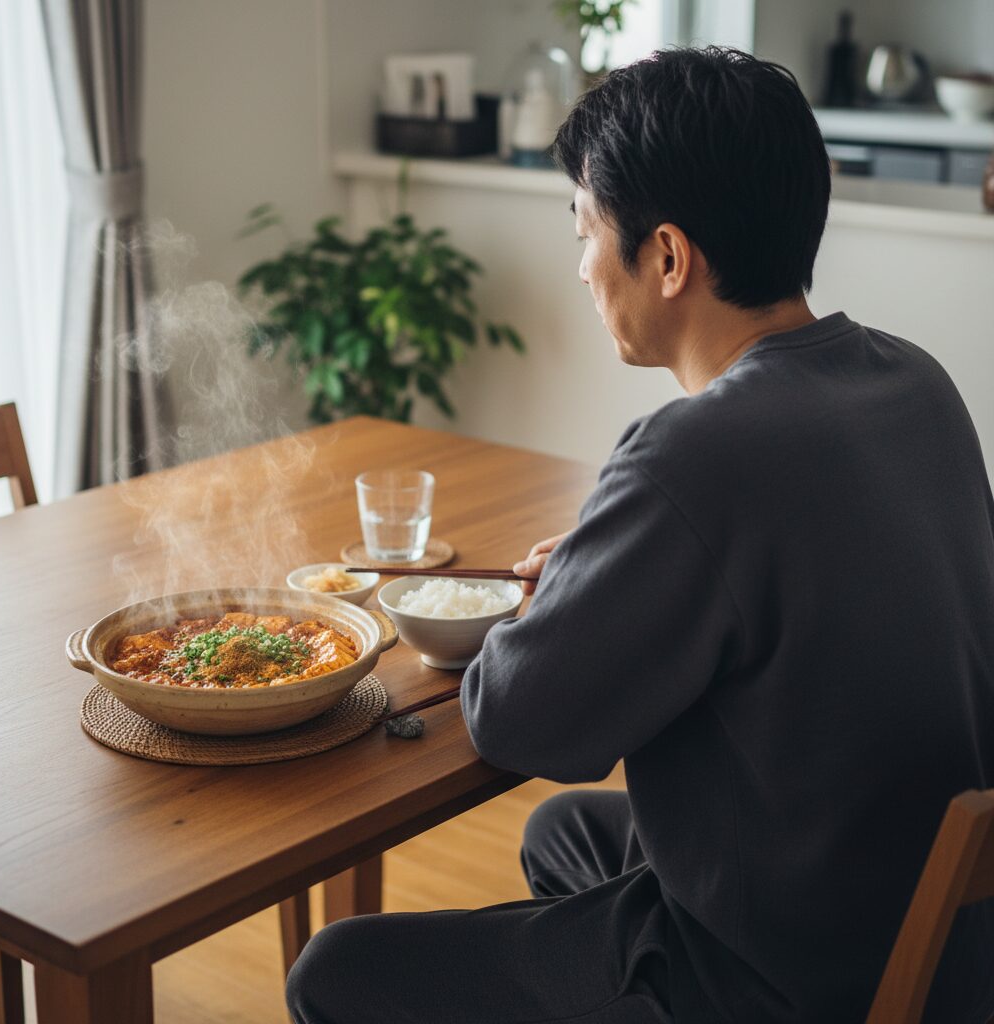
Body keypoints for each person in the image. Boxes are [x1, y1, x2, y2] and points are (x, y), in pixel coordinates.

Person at [286, 47, 994, 1023]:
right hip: (933, 923)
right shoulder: (915, 383)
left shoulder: (694, 453)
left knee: (332, 970)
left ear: (665, 257)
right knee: (564, 832)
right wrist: (602, 569)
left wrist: (566, 589)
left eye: (585, 230)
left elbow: (519, 718)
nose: (580, 267)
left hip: (785, 974)